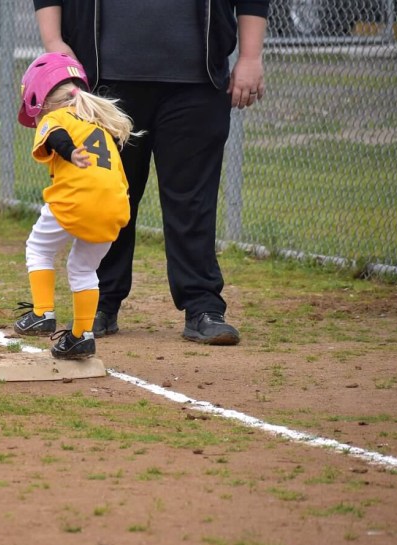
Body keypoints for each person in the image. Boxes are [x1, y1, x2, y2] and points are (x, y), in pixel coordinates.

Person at [32, 0, 269, 345]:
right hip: (104, 82)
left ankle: (202, 305)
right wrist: (54, 42)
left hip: (197, 81)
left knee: (193, 201)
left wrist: (250, 55)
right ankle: (100, 301)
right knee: (104, 195)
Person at [13, 52, 136, 361]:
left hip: (76, 197)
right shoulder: (98, 125)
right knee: (84, 268)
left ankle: (42, 313)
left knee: (38, 249)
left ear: (41, 99)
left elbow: (56, 136)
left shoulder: (55, 118)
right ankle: (82, 336)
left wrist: (69, 153)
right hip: (115, 204)